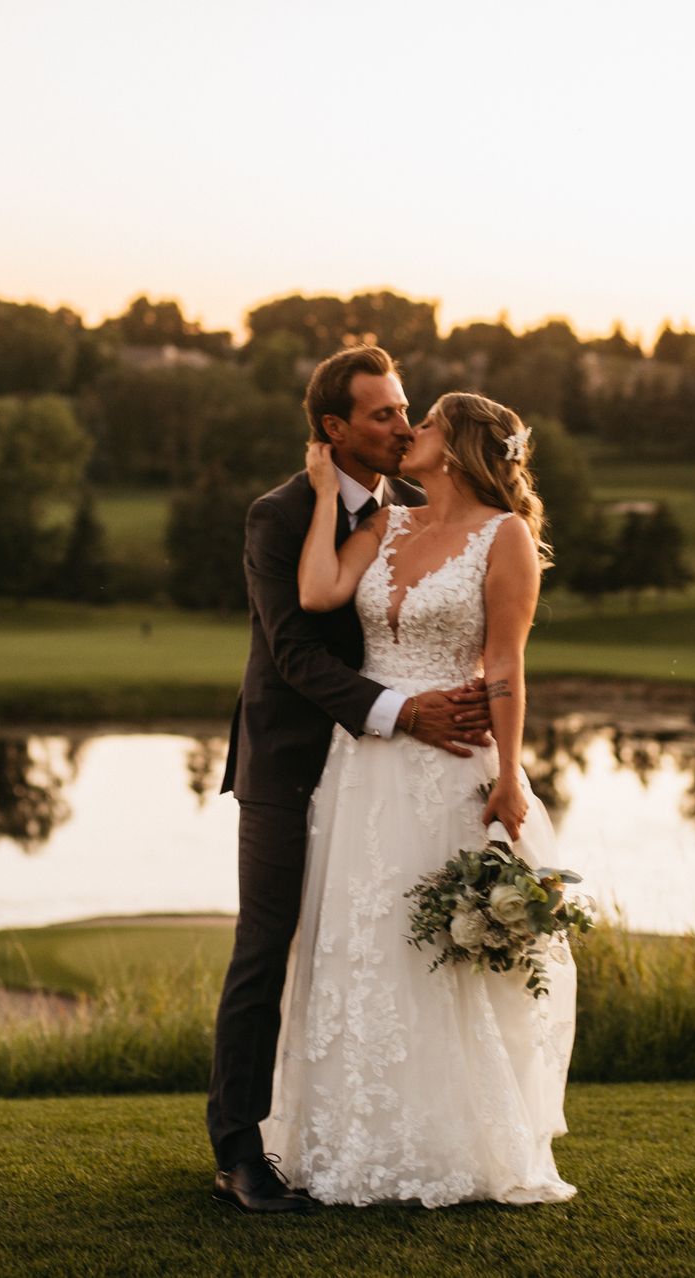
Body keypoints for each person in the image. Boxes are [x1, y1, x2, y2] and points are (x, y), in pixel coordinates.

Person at [261, 389, 577, 1208]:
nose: (409, 433)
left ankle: (451, 1148)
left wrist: (510, 775)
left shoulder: (504, 537)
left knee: (434, 947)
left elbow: (504, 666)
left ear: (461, 445)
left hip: (453, 766)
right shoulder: (388, 523)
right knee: (358, 941)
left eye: (425, 423)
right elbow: (321, 594)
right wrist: (330, 495)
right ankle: (350, 1143)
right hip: (365, 765)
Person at [208, 347, 492, 1214]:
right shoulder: (279, 514)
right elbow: (292, 653)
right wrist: (403, 712)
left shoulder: (412, 512)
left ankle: (367, 1136)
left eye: (406, 410)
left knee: (368, 954)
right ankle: (237, 1151)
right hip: (290, 766)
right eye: (382, 415)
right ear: (332, 428)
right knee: (267, 947)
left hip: (382, 782)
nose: (404, 427)